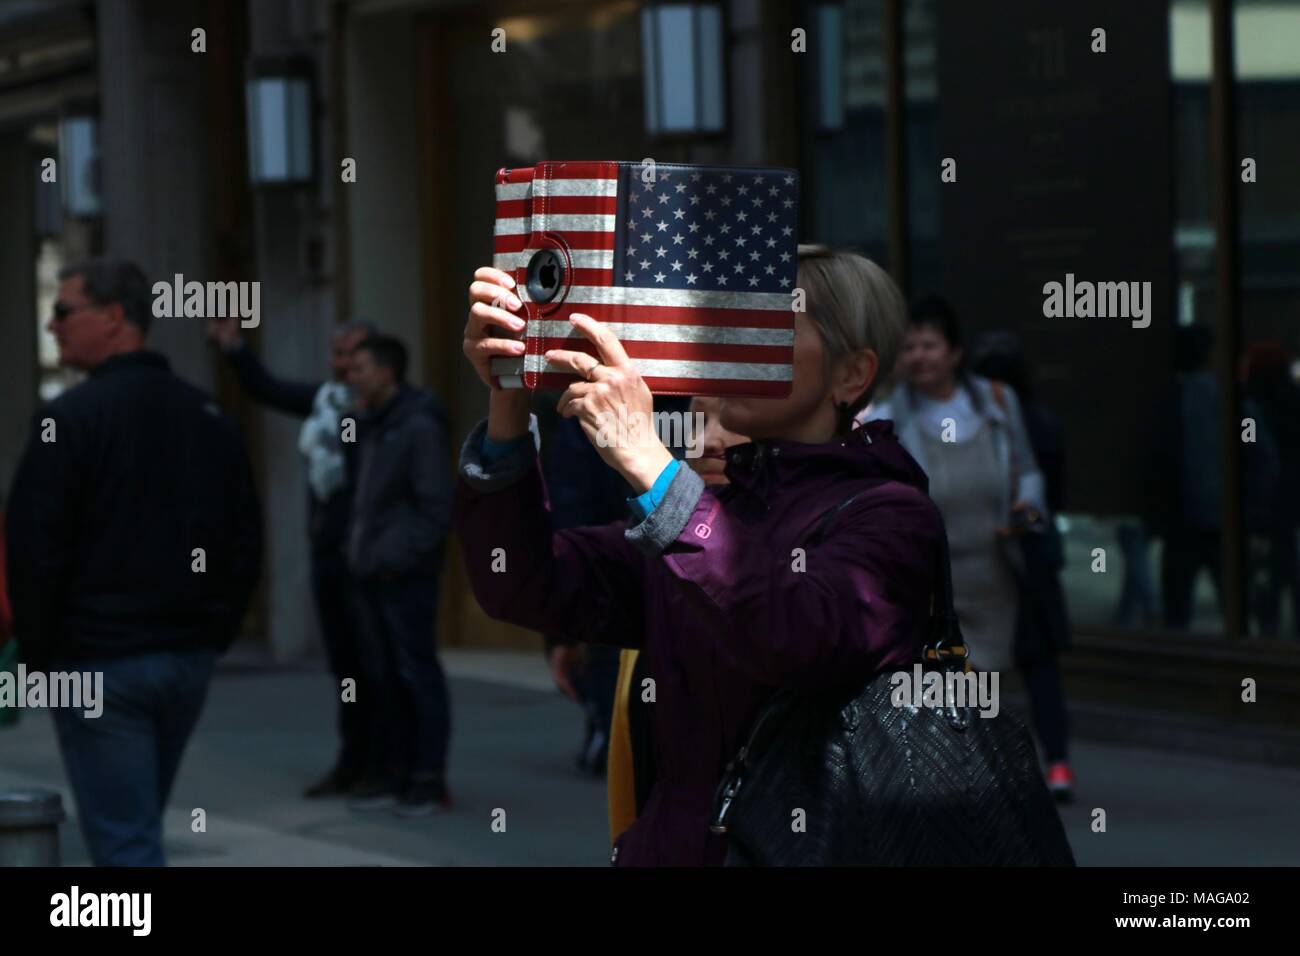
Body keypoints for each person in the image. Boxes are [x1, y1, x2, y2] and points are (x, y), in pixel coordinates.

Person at [456, 246, 943, 866]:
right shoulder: (717, 503)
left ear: (851, 376)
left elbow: (794, 634)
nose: (729, 351)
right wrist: (509, 398)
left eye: (766, 329)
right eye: (724, 330)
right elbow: (524, 583)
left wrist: (649, 464)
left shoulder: (892, 514)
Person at [5, 257, 262, 865]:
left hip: (103, 661)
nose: (52, 326)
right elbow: (244, 541)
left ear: (115, 316)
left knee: (125, 842)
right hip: (180, 658)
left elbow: (32, 548)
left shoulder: (69, 420)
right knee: (134, 826)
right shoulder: (207, 417)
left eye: (64, 311)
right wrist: (211, 636)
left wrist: (43, 657)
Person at [869, 297, 1076, 798]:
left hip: (996, 567)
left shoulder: (996, 402)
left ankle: (1000, 776)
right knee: (942, 675)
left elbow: (1027, 469)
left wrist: (1027, 508)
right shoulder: (888, 413)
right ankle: (958, 775)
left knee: (997, 676)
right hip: (931, 574)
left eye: (930, 344)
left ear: (955, 351)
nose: (919, 355)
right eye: (910, 346)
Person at [206, 315, 375, 798]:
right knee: (346, 669)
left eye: (353, 354)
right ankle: (353, 760)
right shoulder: (325, 402)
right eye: (337, 353)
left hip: (370, 559)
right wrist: (234, 347)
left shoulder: (384, 412)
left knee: (380, 667)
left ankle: (399, 768)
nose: (342, 364)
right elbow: (268, 389)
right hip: (329, 553)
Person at [605, 395, 748, 844]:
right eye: (697, 420)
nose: (708, 442)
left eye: (735, 417)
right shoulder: (651, 550)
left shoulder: (804, 549)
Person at [344, 335, 454, 816]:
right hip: (371, 571)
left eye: (361, 367)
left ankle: (427, 779)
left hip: (402, 575)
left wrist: (393, 557)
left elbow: (434, 509)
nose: (352, 375)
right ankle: (396, 772)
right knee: (382, 675)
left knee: (415, 672)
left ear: (388, 371)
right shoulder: (370, 422)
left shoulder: (417, 424)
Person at [969, 329, 1076, 801]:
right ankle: (1057, 764)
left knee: (983, 666)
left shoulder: (977, 425)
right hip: (1033, 553)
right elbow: (1057, 495)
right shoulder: (1044, 423)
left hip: (989, 554)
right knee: (1041, 668)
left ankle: (992, 766)